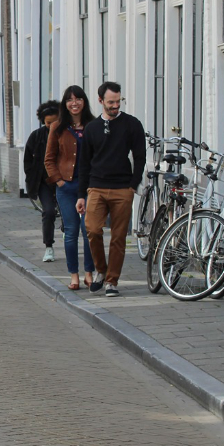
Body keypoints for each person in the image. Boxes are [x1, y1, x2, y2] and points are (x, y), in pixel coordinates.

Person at [75, 81, 146, 298]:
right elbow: (84, 163)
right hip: (96, 187)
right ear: (100, 101)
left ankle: (112, 281)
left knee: (118, 237)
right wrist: (81, 194)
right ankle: (101, 270)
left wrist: (133, 185)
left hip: (122, 188)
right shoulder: (92, 128)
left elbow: (140, 156)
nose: (115, 106)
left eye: (118, 101)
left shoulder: (132, 124)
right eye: (111, 102)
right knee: (93, 230)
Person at [45, 86, 98, 290]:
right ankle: (74, 275)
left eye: (78, 99)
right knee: (71, 231)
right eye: (69, 99)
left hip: (90, 187)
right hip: (66, 187)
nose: (74, 103)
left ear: (84, 102)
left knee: (89, 230)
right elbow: (49, 159)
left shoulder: (93, 125)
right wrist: (59, 181)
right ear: (65, 104)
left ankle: (89, 273)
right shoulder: (57, 127)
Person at [23, 101, 60, 263]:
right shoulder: (36, 137)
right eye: (48, 123)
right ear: (43, 122)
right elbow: (27, 161)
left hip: (63, 181)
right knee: (49, 212)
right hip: (44, 182)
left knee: (68, 213)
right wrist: (32, 178)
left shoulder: (66, 134)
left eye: (55, 122)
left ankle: (68, 234)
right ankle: (49, 247)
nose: (52, 126)